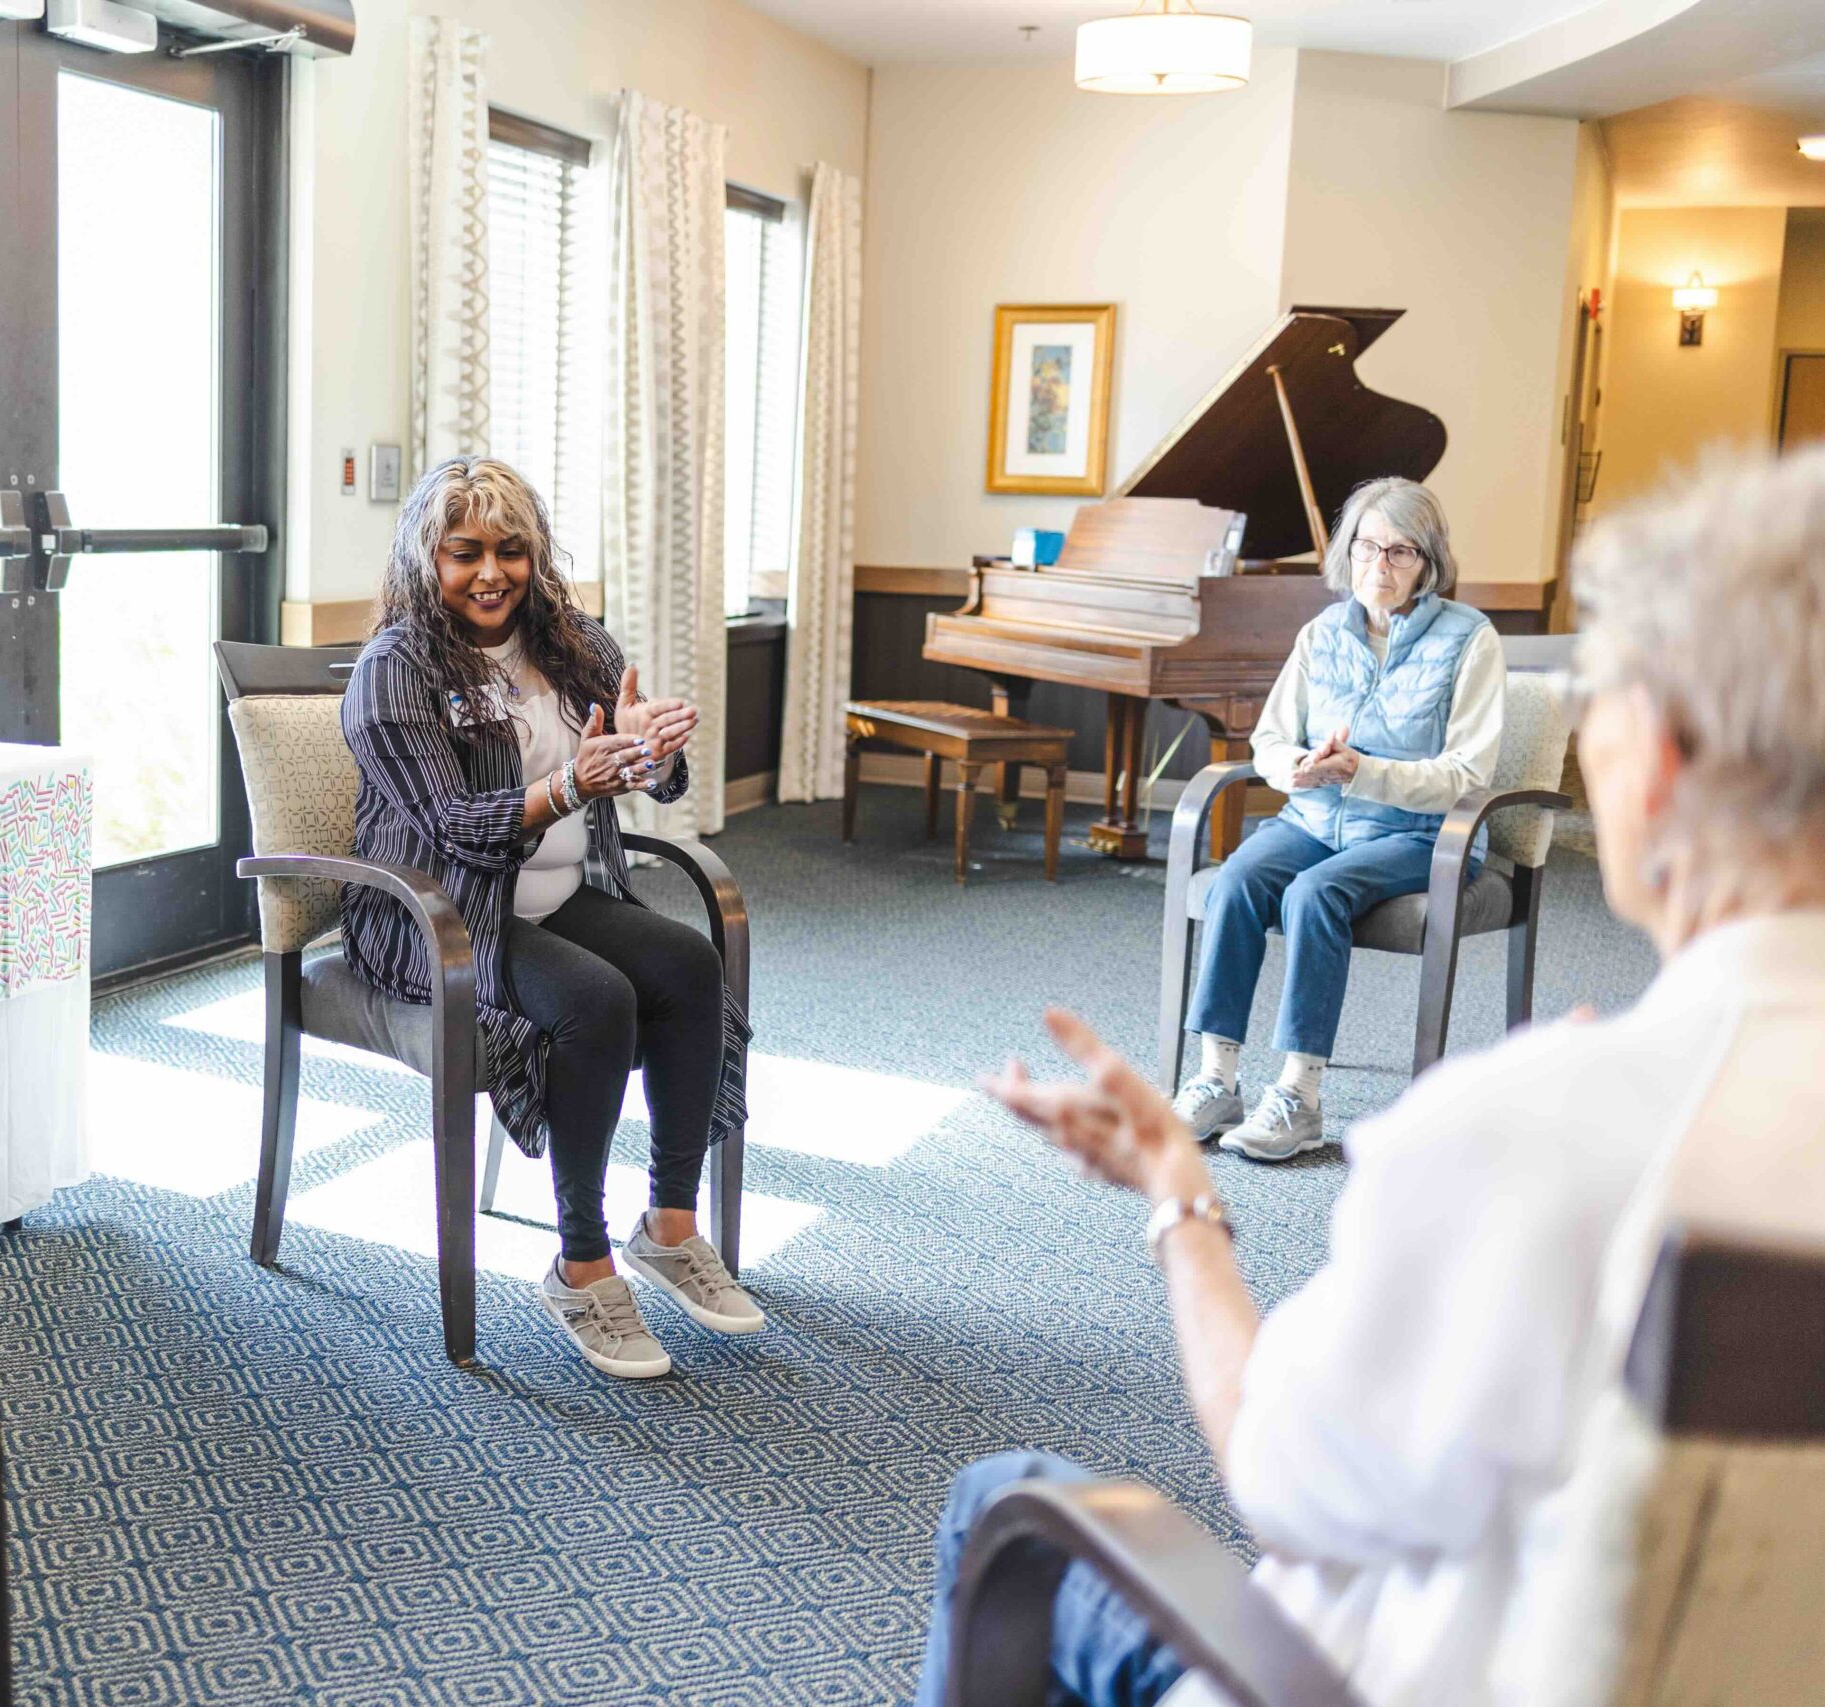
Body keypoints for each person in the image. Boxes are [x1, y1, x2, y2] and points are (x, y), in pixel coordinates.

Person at [914, 446, 1825, 1706]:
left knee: (999, 1499)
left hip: (1350, 1681)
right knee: (1257, 879)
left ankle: (1269, 1094)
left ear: (1652, 767)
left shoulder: (1517, 1133)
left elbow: (1283, 1477)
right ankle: (1225, 1069)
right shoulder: (1566, 1118)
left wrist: (1179, 1196)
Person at [340, 456, 762, 1380]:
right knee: (594, 998)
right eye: (465, 553)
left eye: (511, 549)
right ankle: (581, 1263)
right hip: (436, 913)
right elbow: (453, 826)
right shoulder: (394, 669)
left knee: (690, 964)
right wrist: (572, 782)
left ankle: (670, 1224)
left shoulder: (574, 644)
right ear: (426, 560)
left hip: (558, 893)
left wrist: (650, 756)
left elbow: (650, 776)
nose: (491, 573)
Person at [1171, 477, 1504, 1161]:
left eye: (1401, 551)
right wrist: (1295, 766)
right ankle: (1216, 1079)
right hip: (1316, 819)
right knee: (1236, 882)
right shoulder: (1320, 634)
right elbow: (1269, 739)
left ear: (1429, 561)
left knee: (1314, 893)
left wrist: (1364, 771)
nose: (1379, 564)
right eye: (1366, 547)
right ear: (1347, 551)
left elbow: (1468, 774)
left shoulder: (1471, 639)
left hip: (1420, 833)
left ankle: (1299, 1095)